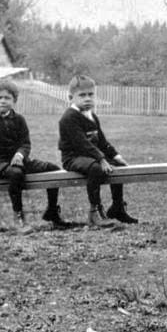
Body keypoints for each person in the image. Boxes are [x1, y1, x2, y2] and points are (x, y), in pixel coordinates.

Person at [0, 79, 72, 233]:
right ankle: (18, 216)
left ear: (14, 101)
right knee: (16, 174)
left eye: (7, 98)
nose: (3, 101)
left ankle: (52, 210)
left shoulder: (18, 119)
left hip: (20, 161)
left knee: (53, 169)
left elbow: (25, 143)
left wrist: (20, 154)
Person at [58, 75, 137, 227]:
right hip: (73, 158)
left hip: (91, 156)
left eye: (91, 94)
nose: (87, 99)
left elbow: (101, 141)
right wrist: (101, 159)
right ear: (70, 97)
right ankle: (95, 211)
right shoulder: (68, 118)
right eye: (82, 95)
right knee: (95, 168)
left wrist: (115, 155)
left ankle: (117, 207)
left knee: (117, 166)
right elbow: (81, 143)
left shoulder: (92, 115)